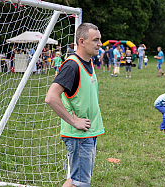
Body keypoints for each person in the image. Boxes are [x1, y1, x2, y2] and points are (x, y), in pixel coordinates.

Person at [45, 23, 104, 187]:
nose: (100, 44)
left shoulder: (89, 61)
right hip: (78, 136)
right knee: (80, 183)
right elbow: (51, 97)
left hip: (89, 132)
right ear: (82, 41)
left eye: (100, 40)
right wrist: (74, 121)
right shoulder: (72, 65)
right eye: (96, 40)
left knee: (76, 179)